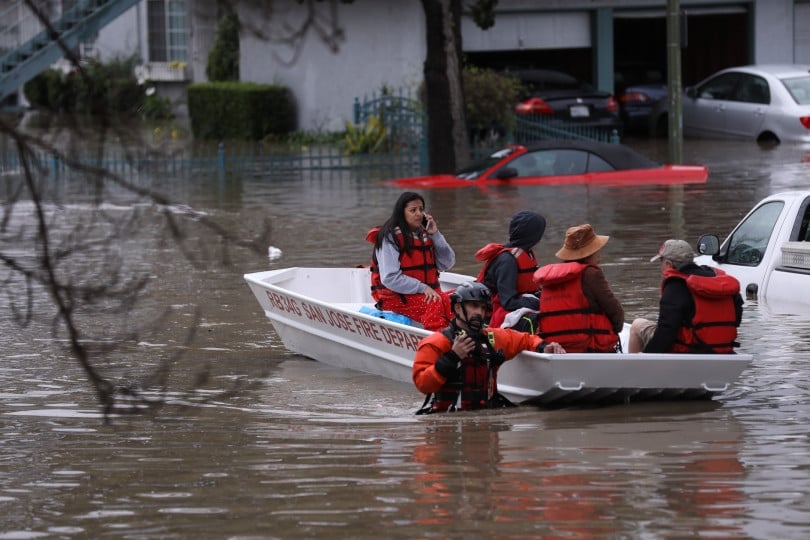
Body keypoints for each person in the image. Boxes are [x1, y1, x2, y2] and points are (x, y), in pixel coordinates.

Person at [412, 281, 566, 413]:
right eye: (474, 306)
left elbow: (525, 339)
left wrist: (544, 347)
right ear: (458, 308)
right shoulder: (436, 343)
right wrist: (452, 357)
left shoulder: (493, 338)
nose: (479, 312)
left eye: (483, 308)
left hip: (487, 417)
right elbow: (423, 385)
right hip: (447, 422)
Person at [628, 239, 743, 354]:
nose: (660, 265)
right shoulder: (720, 283)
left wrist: (648, 356)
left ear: (669, 264)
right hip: (723, 350)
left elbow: (667, 331)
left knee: (637, 324)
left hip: (687, 351)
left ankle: (633, 369)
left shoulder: (676, 285)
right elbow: (736, 319)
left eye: (661, 261)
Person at [366, 191, 455, 331]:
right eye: (413, 210)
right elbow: (390, 278)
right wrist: (423, 287)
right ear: (402, 213)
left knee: (457, 300)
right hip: (395, 297)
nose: (418, 214)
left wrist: (436, 235)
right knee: (436, 304)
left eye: (421, 209)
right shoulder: (390, 237)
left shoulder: (425, 233)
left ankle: (465, 341)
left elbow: (447, 263)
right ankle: (438, 342)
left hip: (427, 293)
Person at [533, 224, 624, 353]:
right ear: (590, 253)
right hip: (588, 347)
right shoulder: (591, 274)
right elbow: (615, 312)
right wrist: (614, 330)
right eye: (597, 250)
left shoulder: (550, 278)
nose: (599, 256)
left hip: (555, 348)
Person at [475, 210, 546, 330]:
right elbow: (508, 302)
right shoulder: (508, 261)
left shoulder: (526, 253)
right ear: (533, 236)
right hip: (493, 313)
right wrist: (539, 303)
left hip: (515, 303)